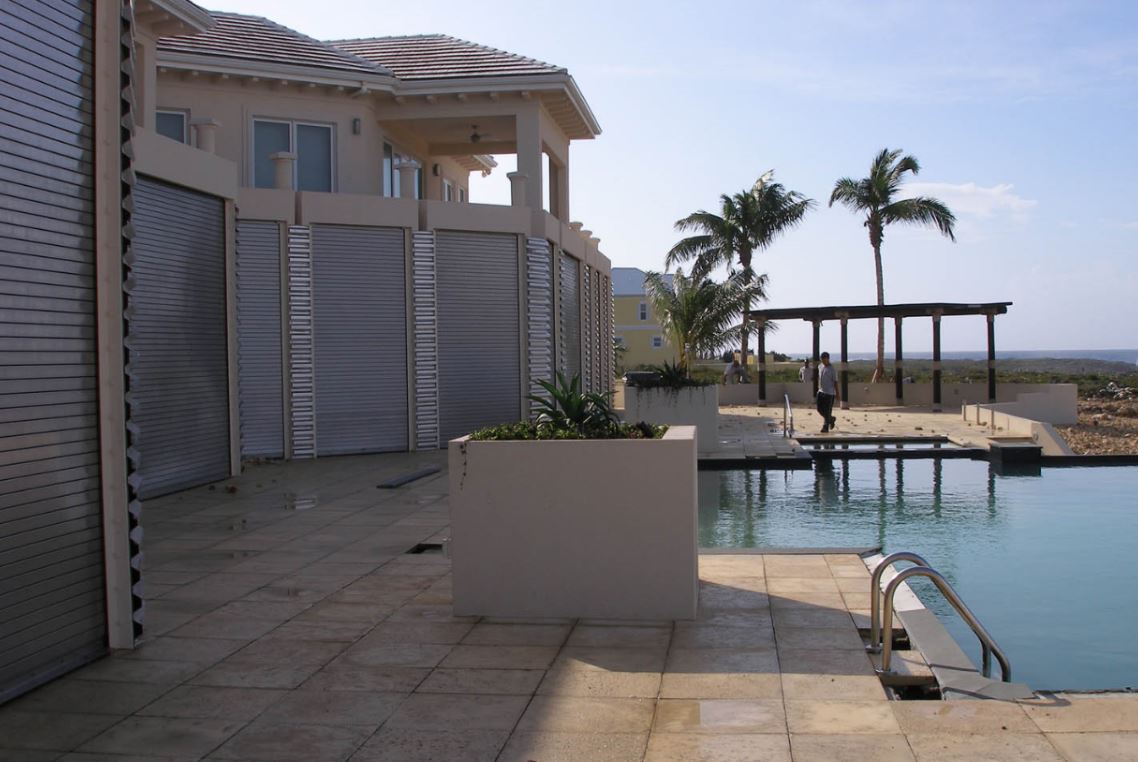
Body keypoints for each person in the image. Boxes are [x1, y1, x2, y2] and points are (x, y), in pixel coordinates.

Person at [816, 351, 840, 433]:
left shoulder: (832, 369)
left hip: (829, 393)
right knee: (819, 409)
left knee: (827, 410)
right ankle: (831, 419)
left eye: (825, 359)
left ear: (828, 359)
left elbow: (835, 382)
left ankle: (825, 427)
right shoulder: (820, 366)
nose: (824, 361)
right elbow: (819, 377)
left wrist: (837, 393)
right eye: (822, 359)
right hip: (821, 391)